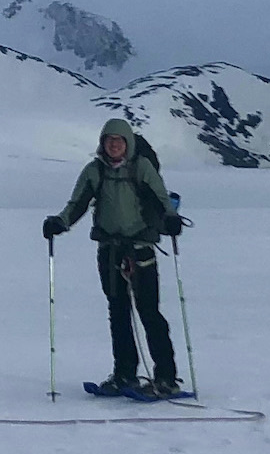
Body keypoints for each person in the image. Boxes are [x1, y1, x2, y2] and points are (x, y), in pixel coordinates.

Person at [43, 119, 185, 397]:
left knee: (149, 312)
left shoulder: (141, 168)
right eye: (109, 140)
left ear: (128, 143)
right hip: (110, 251)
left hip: (140, 248)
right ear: (102, 143)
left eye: (119, 140)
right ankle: (124, 374)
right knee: (118, 312)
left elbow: (160, 199)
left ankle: (166, 377)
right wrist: (60, 223)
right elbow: (78, 204)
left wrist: (170, 219)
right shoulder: (94, 171)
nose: (114, 145)